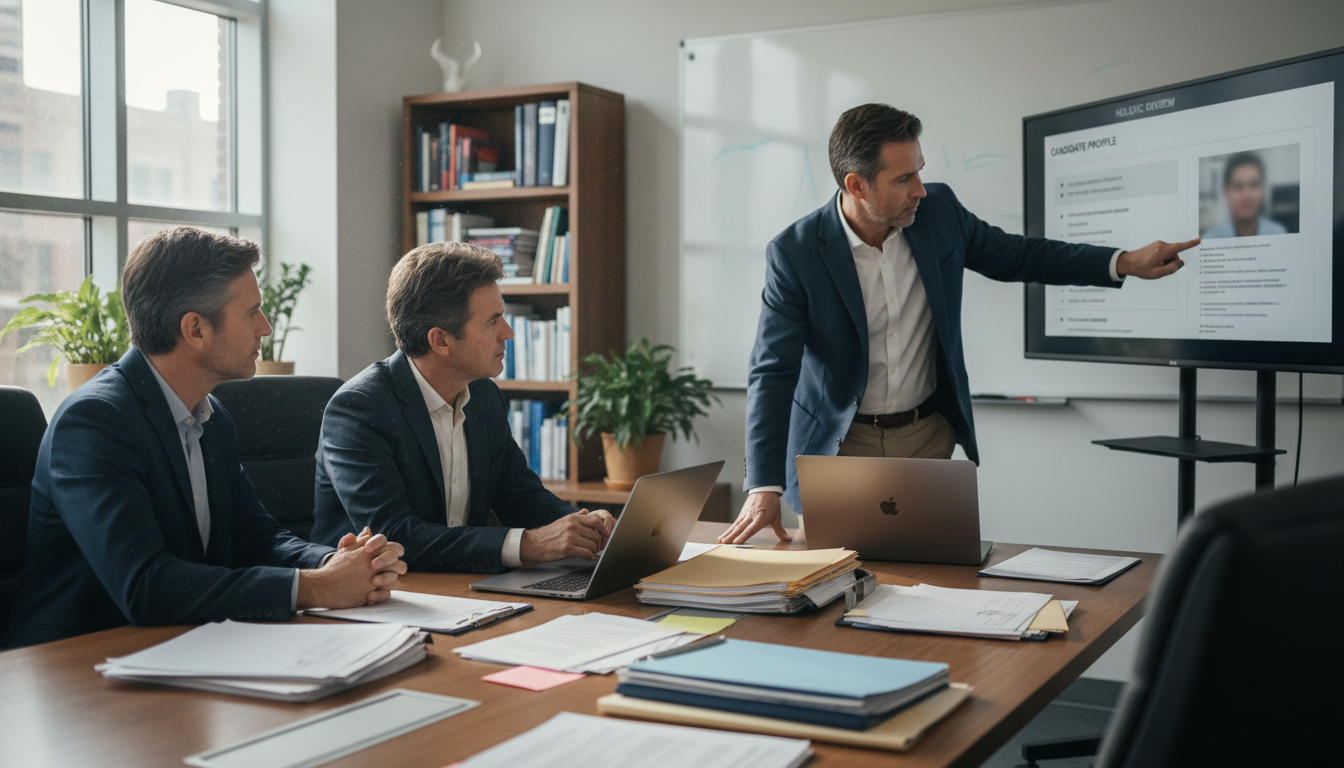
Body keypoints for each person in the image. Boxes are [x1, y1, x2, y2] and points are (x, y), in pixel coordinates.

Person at [721, 103, 1199, 544]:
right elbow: (773, 370)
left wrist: (1124, 261)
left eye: (920, 172)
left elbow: (1020, 256)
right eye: (903, 178)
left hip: (926, 434)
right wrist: (765, 484)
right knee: (834, 588)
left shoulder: (938, 213)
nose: (920, 190)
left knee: (933, 583)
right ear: (856, 185)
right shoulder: (796, 252)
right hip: (839, 444)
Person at [5, 227, 406, 648]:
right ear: (195, 329)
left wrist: (336, 562)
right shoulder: (95, 421)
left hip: (183, 646)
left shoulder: (211, 417)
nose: (266, 328)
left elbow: (256, 536)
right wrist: (316, 587)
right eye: (252, 313)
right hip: (74, 663)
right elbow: (146, 584)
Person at [310, 242, 614, 574]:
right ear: (440, 340)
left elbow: (519, 495)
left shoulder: (484, 396)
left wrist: (582, 526)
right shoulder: (359, 409)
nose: (508, 333)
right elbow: (394, 536)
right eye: (492, 322)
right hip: (371, 596)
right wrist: (529, 545)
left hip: (457, 586)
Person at [1201, 151, 1288, 239]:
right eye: (1238, 186)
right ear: (1226, 192)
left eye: (1254, 185)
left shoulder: (1278, 234)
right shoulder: (1211, 238)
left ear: (1262, 189)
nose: (1247, 195)